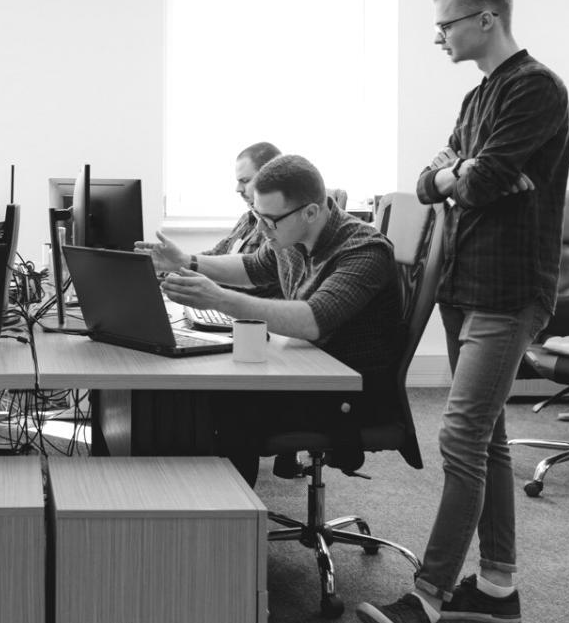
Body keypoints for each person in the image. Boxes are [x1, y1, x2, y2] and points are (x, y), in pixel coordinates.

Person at [355, 0, 569, 623]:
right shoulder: (479, 95)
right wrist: (462, 173)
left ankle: (427, 596)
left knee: (459, 436)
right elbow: (434, 181)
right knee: (488, 437)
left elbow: (472, 181)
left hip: (508, 290)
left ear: (484, 19)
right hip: (465, 281)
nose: (438, 36)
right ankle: (499, 587)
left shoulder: (535, 88)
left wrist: (467, 173)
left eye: (445, 25)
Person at [138, 154, 404, 485]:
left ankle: (228, 522)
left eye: (270, 221)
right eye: (257, 216)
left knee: (219, 401)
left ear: (310, 212)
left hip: (347, 392)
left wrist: (219, 298)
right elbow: (253, 267)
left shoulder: (364, 251)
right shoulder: (290, 236)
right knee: (193, 390)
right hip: (307, 369)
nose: (262, 229)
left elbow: (313, 320)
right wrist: (187, 261)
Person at [203, 141, 284, 299]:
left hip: (256, 316)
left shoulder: (281, 226)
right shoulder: (248, 219)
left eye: (245, 181)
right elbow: (216, 254)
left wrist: (198, 278)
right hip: (231, 308)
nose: (238, 189)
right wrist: (176, 264)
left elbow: (257, 282)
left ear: (270, 178)